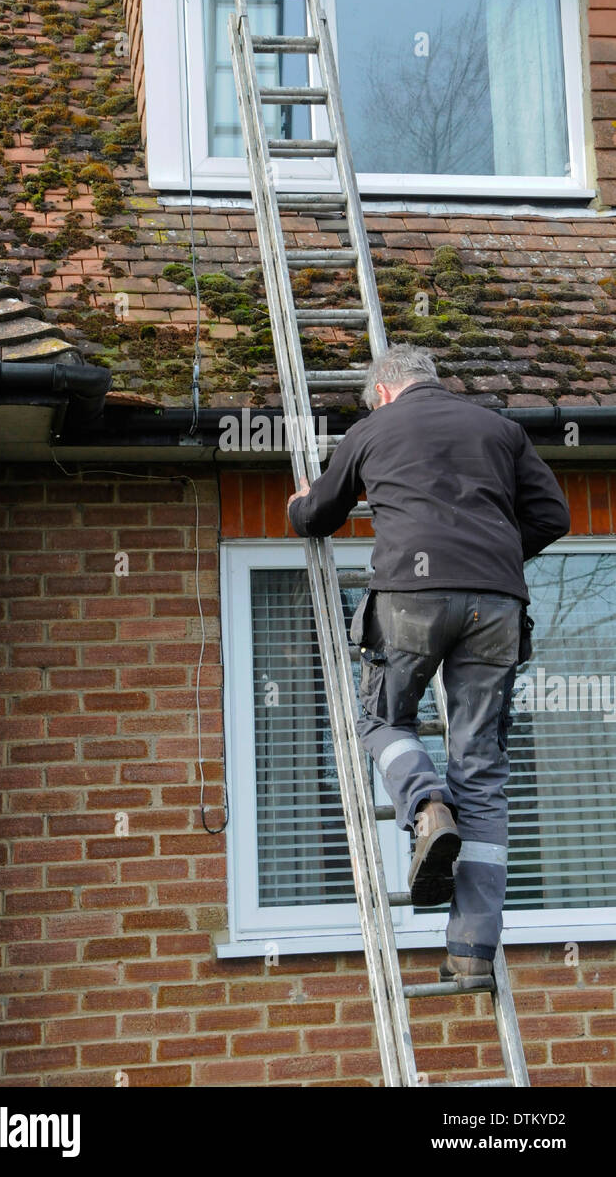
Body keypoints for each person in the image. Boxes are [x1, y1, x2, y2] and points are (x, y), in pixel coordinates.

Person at [287, 346, 570, 983]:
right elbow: (553, 516)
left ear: (384, 391)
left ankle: (426, 806)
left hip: (410, 599)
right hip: (496, 605)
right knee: (483, 770)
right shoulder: (502, 430)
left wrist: (299, 501)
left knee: (381, 720)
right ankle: (472, 953)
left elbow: (317, 516)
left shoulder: (371, 430)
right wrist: (493, 557)